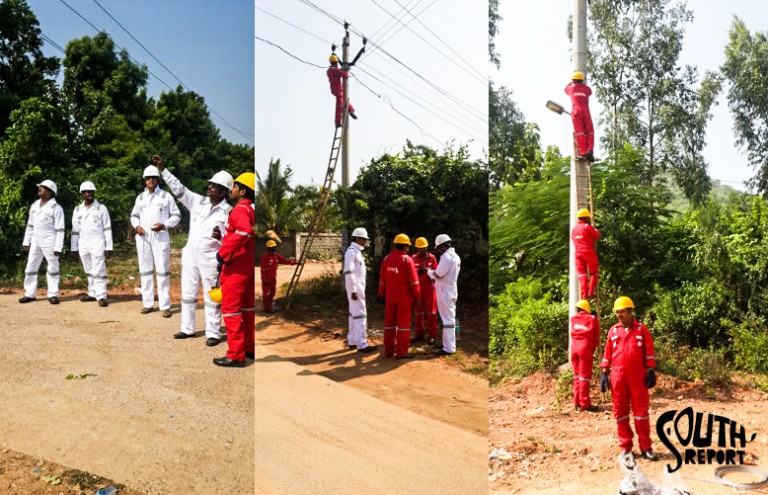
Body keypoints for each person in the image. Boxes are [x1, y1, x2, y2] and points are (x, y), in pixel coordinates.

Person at [152, 155, 233, 347]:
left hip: (211, 257)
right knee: (188, 293)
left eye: (214, 185)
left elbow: (230, 238)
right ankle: (187, 328)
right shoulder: (198, 202)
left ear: (223, 191)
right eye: (210, 184)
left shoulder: (228, 211)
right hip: (190, 254)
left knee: (212, 294)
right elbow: (178, 189)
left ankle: (213, 332)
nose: (209, 186)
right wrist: (163, 170)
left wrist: (220, 237)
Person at [600, 296, 658, 461]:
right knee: (620, 413)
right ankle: (626, 448)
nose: (619, 315)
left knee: (641, 413)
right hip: (617, 377)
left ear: (630, 311)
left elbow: (649, 351)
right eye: (617, 312)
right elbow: (607, 354)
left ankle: (646, 447)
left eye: (622, 312)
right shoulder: (613, 331)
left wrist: (651, 370)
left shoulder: (641, 330)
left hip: (638, 377)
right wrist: (604, 373)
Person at [213, 172, 256, 368]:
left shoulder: (239, 210)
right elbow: (240, 233)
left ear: (243, 191)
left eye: (234, 186)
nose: (231, 189)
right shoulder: (248, 210)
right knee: (247, 310)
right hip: (246, 266)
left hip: (235, 267)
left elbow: (244, 232)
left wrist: (223, 253)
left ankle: (236, 355)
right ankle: (248, 348)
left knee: (230, 310)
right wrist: (223, 236)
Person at [130, 163, 181, 317]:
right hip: (143, 237)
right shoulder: (140, 197)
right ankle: (148, 304)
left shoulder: (166, 196)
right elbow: (134, 215)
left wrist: (164, 225)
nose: (150, 180)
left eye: (153, 177)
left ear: (158, 179)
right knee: (145, 271)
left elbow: (177, 216)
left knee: (162, 271)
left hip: (160, 237)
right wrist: (136, 226)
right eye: (148, 178)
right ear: (144, 180)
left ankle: (165, 306)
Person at [19, 180, 65, 305]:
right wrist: (26, 242)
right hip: (35, 241)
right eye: (40, 187)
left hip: (50, 241)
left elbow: (60, 229)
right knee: (31, 267)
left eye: (43, 188)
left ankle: (53, 294)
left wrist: (58, 247)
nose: (39, 189)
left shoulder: (56, 208)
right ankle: (29, 294)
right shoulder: (34, 205)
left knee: (53, 267)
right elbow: (30, 225)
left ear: (50, 192)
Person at [378, 234, 420, 359]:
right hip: (404, 299)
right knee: (403, 326)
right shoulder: (407, 260)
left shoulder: (386, 259)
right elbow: (414, 282)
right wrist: (417, 298)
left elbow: (382, 279)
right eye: (408, 246)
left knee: (389, 324)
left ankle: (389, 351)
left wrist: (381, 294)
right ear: (406, 246)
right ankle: (402, 353)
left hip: (390, 298)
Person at [71, 181, 113, 307]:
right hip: (83, 242)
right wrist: (74, 248)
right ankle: (92, 293)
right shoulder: (78, 209)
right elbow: (75, 230)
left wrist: (108, 246)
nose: (89, 194)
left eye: (91, 191)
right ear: (82, 194)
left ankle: (101, 296)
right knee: (88, 270)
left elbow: (107, 228)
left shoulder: (101, 208)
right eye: (86, 192)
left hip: (97, 241)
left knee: (99, 270)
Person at [343, 227, 376, 353]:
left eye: (365, 239)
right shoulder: (351, 252)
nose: (365, 241)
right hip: (356, 289)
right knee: (361, 315)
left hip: (356, 289)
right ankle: (362, 344)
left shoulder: (356, 252)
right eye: (363, 239)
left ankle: (352, 341)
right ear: (357, 238)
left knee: (353, 315)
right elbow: (349, 272)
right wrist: (353, 291)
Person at [428, 234, 461, 356]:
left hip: (445, 291)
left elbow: (438, 274)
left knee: (447, 319)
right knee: (450, 318)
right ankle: (450, 343)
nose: (438, 251)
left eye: (438, 248)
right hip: (451, 289)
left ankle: (449, 348)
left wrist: (428, 272)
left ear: (442, 246)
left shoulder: (447, 257)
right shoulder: (456, 256)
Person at [570, 299, 600, 412]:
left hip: (574, 349)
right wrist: (594, 347)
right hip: (585, 349)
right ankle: (585, 404)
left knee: (577, 376)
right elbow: (596, 337)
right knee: (584, 377)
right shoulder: (592, 319)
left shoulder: (573, 319)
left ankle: (577, 403)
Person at [411, 236, 438, 345]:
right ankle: (419, 334)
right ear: (417, 248)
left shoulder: (432, 258)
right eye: (419, 248)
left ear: (427, 247)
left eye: (423, 248)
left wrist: (428, 271)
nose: (421, 250)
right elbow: (410, 273)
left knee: (431, 313)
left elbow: (437, 273)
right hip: (417, 289)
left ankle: (432, 335)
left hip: (430, 289)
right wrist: (417, 271)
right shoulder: (413, 258)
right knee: (418, 312)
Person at [564, 71, 595, 162]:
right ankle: (590, 149)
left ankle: (583, 152)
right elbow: (590, 91)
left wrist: (571, 83)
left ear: (574, 80)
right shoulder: (586, 89)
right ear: (581, 81)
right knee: (590, 131)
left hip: (576, 111)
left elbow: (565, 89)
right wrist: (583, 85)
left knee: (580, 132)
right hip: (586, 111)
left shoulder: (571, 88)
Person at [260, 239, 297, 313]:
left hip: (273, 278)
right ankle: (267, 308)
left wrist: (295, 262)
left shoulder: (276, 256)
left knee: (272, 292)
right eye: (271, 247)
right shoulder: (264, 257)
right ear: (268, 248)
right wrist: (264, 279)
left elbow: (285, 261)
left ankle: (270, 306)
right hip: (267, 279)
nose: (273, 249)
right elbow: (263, 269)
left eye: (274, 247)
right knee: (266, 294)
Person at [571, 208, 600, 299]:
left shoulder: (574, 229)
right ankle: (590, 293)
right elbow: (596, 236)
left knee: (582, 275)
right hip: (588, 252)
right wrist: (596, 230)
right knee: (594, 273)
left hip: (578, 254)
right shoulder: (587, 227)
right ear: (586, 217)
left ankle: (584, 295)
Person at [327, 53, 357, 127]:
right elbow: (345, 75)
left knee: (344, 100)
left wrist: (342, 69)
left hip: (335, 90)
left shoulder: (330, 70)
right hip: (338, 90)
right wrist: (346, 70)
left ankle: (351, 110)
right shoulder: (334, 70)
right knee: (339, 106)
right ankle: (337, 123)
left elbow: (337, 71)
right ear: (336, 63)